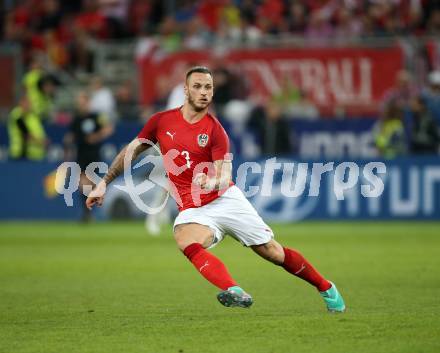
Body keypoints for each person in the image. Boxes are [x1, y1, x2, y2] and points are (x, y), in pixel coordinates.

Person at [86, 66, 345, 311]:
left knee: (272, 252)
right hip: (193, 208)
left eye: (208, 87)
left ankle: (326, 287)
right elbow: (131, 151)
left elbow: (224, 173)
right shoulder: (161, 122)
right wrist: (103, 183)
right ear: (185, 91)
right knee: (184, 238)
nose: (204, 92)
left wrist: (210, 181)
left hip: (225, 200)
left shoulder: (215, 130)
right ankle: (234, 290)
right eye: (197, 86)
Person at [64, 91, 114, 222]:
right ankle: (87, 213)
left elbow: (109, 128)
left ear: (88, 102)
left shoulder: (96, 117)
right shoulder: (76, 119)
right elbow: (72, 136)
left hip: (94, 154)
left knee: (91, 185)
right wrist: (68, 144)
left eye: (83, 102)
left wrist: (96, 137)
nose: (81, 105)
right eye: (79, 103)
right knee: (82, 184)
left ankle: (88, 212)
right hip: (81, 154)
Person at [8, 95, 48, 161]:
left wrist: (43, 140)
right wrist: (41, 142)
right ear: (20, 103)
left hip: (35, 156)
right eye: (26, 103)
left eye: (29, 103)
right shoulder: (17, 115)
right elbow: (25, 133)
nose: (28, 105)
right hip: (20, 154)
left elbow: (37, 131)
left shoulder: (32, 116)